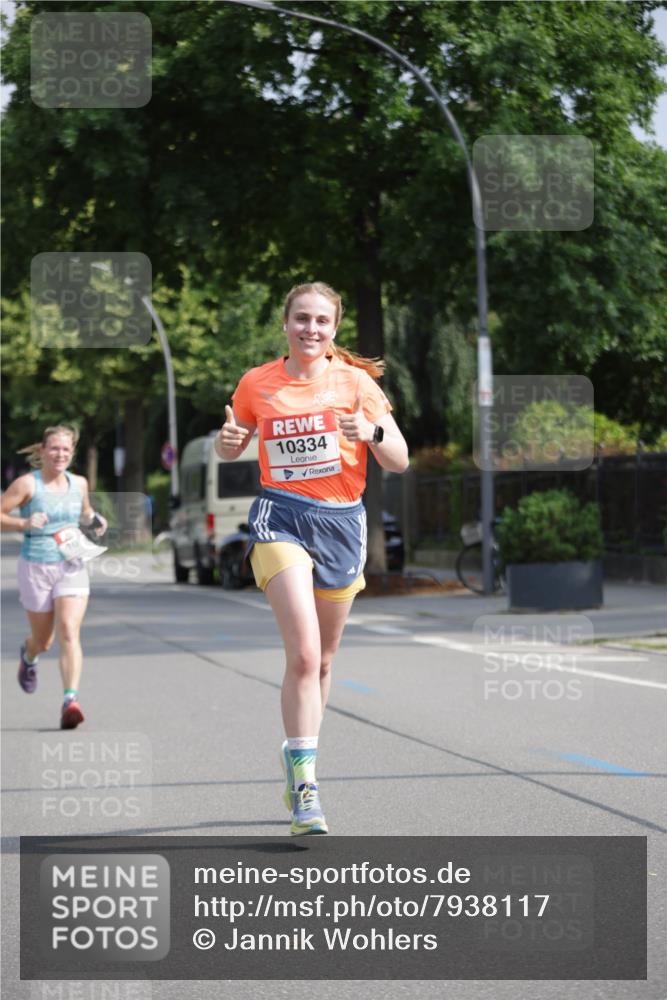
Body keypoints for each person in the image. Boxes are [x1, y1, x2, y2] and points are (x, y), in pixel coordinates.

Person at [216, 282, 409, 834]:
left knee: (323, 660)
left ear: (334, 328)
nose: (311, 329)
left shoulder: (356, 383)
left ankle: (300, 754)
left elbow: (399, 459)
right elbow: (233, 441)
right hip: (280, 517)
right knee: (302, 654)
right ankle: (306, 787)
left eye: (322, 321)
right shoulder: (257, 382)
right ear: (286, 323)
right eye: (302, 318)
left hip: (342, 525)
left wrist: (370, 431)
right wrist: (228, 443)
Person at [0, 425, 107, 729]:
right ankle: (29, 655)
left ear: (72, 453)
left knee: (69, 631)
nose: (61, 454)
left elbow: (85, 513)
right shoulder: (27, 484)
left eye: (66, 449)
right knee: (43, 641)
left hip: (71, 565)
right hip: (36, 567)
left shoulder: (79, 483)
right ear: (43, 451)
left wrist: (95, 521)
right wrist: (23, 523)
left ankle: (70, 700)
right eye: (55, 448)